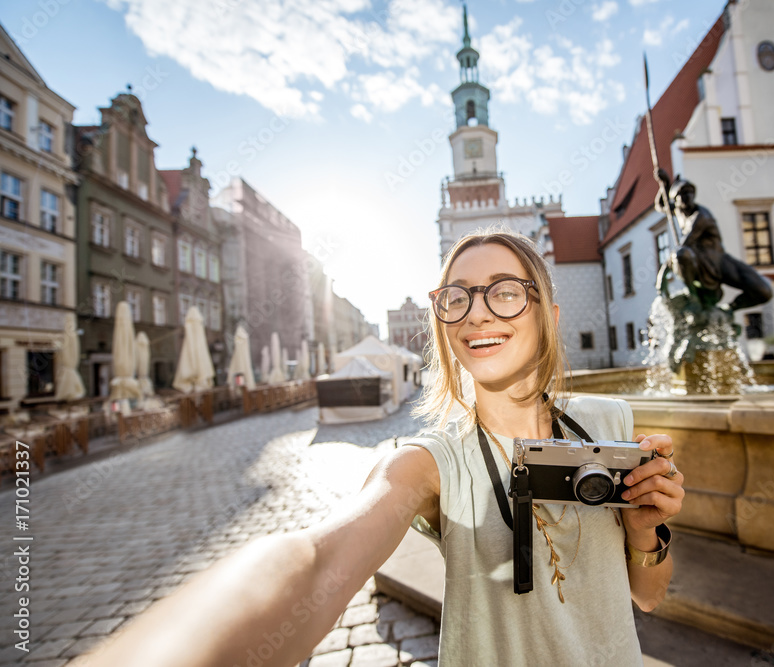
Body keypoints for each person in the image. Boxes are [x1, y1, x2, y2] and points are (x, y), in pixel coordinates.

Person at [72, 230, 684, 667]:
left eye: (504, 291)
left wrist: (644, 532)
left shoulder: (609, 422)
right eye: (456, 296)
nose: (476, 313)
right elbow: (316, 557)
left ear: (547, 316)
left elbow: (648, 596)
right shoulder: (431, 460)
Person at [657, 177, 772, 315]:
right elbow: (660, 206)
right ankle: (692, 294)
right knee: (682, 255)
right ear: (675, 199)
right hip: (698, 261)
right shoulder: (678, 210)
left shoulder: (701, 216)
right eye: (682, 194)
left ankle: (730, 308)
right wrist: (664, 185)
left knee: (763, 291)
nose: (687, 196)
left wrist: (662, 274)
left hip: (717, 259)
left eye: (690, 192)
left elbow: (684, 244)